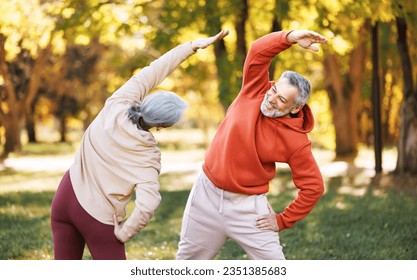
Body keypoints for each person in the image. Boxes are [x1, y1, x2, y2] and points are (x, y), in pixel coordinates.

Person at [50, 29, 229, 260]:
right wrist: (123, 234)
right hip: (97, 217)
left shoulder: (118, 102)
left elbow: (155, 70)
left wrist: (192, 45)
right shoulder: (148, 157)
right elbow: (147, 204)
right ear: (161, 127)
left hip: (65, 198)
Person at [176, 29, 328, 260]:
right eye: (274, 90)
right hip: (206, 195)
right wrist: (291, 37)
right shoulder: (254, 89)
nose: (272, 98)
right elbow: (258, 51)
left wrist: (282, 220)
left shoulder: (296, 141)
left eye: (282, 100)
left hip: (248, 208)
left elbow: (313, 187)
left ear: (295, 108)